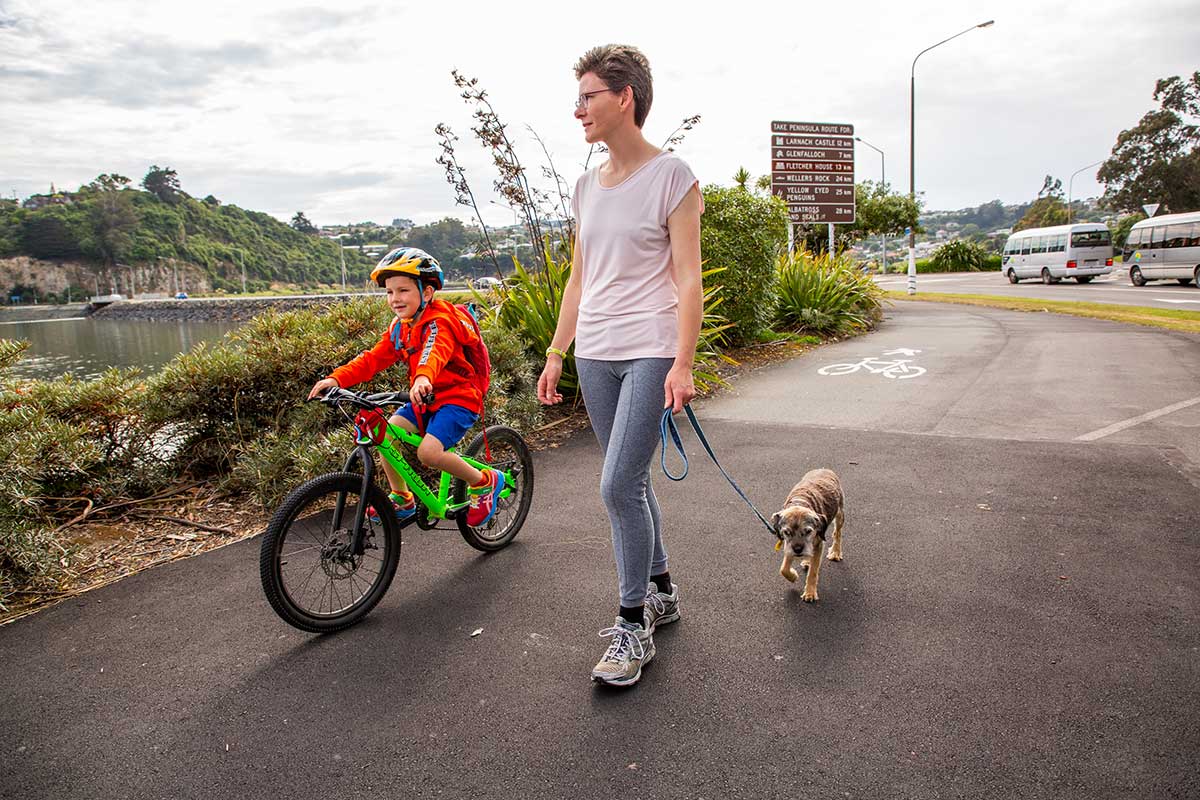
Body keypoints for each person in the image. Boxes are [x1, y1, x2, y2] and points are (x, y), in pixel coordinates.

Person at [537, 44, 704, 687]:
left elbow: (689, 278)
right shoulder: (584, 186)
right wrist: (557, 351)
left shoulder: (672, 176)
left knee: (614, 487)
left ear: (624, 96)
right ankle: (661, 590)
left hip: (651, 346)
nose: (577, 108)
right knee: (630, 483)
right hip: (596, 352)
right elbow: (579, 280)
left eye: (588, 96)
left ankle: (633, 626)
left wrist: (682, 363)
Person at [308, 247, 504, 528]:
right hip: (426, 398)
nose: (395, 299)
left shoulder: (440, 322)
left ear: (426, 293)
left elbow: (434, 352)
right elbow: (372, 359)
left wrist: (423, 377)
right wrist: (336, 379)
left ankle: (484, 481)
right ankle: (402, 498)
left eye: (403, 291)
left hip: (458, 398)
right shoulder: (401, 327)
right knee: (385, 434)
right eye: (390, 292)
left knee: (429, 453)